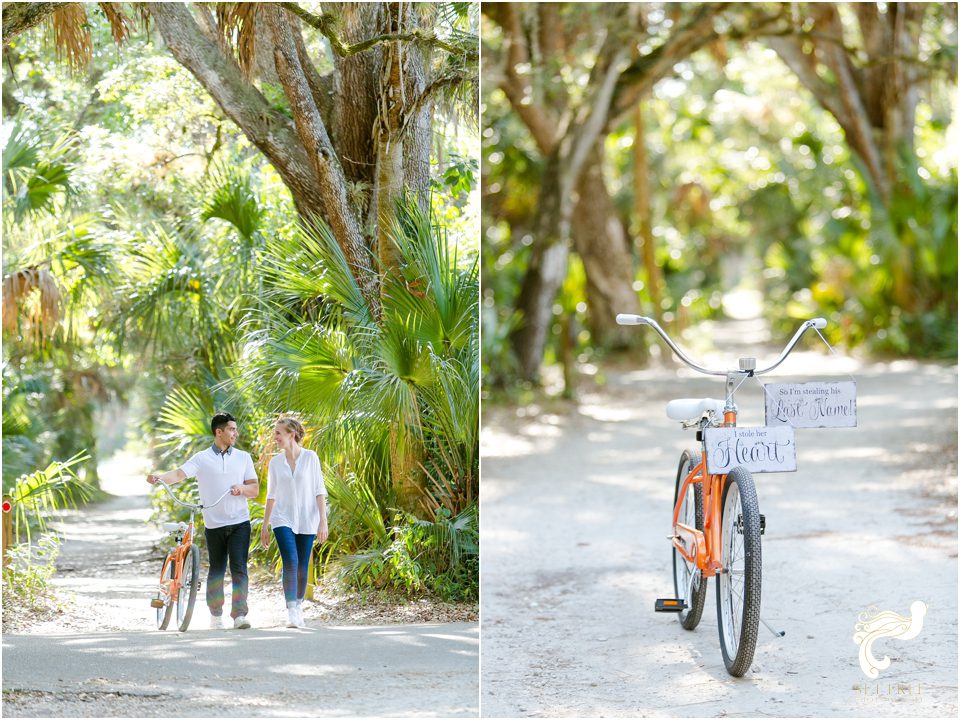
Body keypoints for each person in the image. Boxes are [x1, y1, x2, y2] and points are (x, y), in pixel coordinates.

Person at [147, 411, 259, 630]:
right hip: (214, 523)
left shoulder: (243, 457)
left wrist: (241, 489)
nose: (235, 433)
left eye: (235, 429)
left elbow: (254, 489)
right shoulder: (202, 458)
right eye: (231, 429)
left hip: (240, 522)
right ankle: (215, 615)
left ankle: (239, 615)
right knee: (217, 569)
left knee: (239, 568)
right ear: (219, 432)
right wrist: (159, 478)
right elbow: (179, 475)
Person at [259, 416, 328, 628]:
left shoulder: (311, 458)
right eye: (275, 433)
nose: (275, 437)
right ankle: (291, 610)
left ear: (292, 434)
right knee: (290, 560)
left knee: (302, 562)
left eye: (278, 433)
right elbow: (271, 495)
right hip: (282, 517)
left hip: (308, 518)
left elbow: (319, 490)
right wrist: (265, 525)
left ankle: (298, 606)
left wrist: (322, 521)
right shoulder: (275, 463)